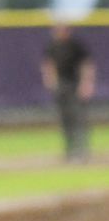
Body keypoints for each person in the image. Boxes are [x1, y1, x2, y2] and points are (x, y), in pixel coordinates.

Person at [41, 23, 97, 161]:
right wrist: (51, 81)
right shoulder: (52, 46)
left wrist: (86, 84)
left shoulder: (75, 46)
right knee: (65, 119)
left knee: (78, 118)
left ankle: (81, 151)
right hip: (61, 86)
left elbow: (86, 65)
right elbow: (48, 64)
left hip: (75, 84)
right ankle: (70, 150)